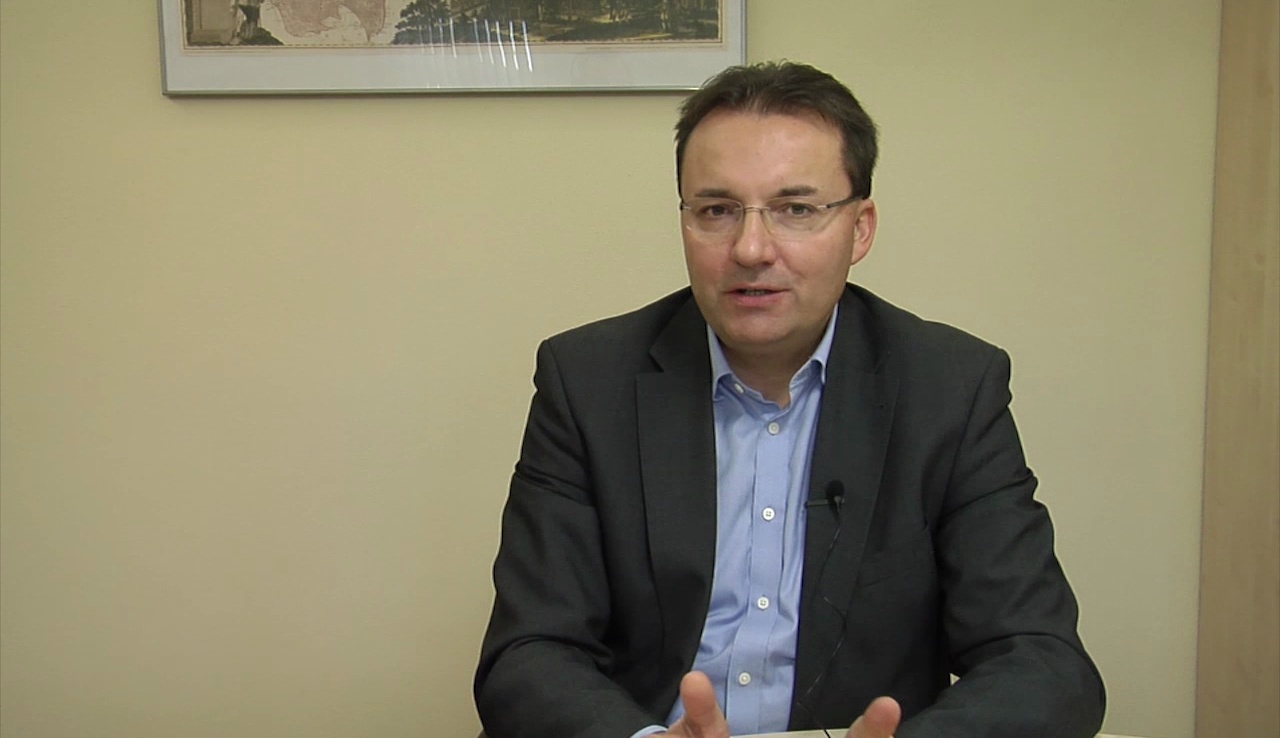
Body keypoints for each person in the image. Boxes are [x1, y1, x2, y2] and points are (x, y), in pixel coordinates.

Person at [474, 60, 1106, 738]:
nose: (751, 248)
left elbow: (1042, 662)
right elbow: (528, 653)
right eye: (717, 210)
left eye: (796, 210)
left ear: (860, 229)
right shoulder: (588, 381)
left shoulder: (949, 388)